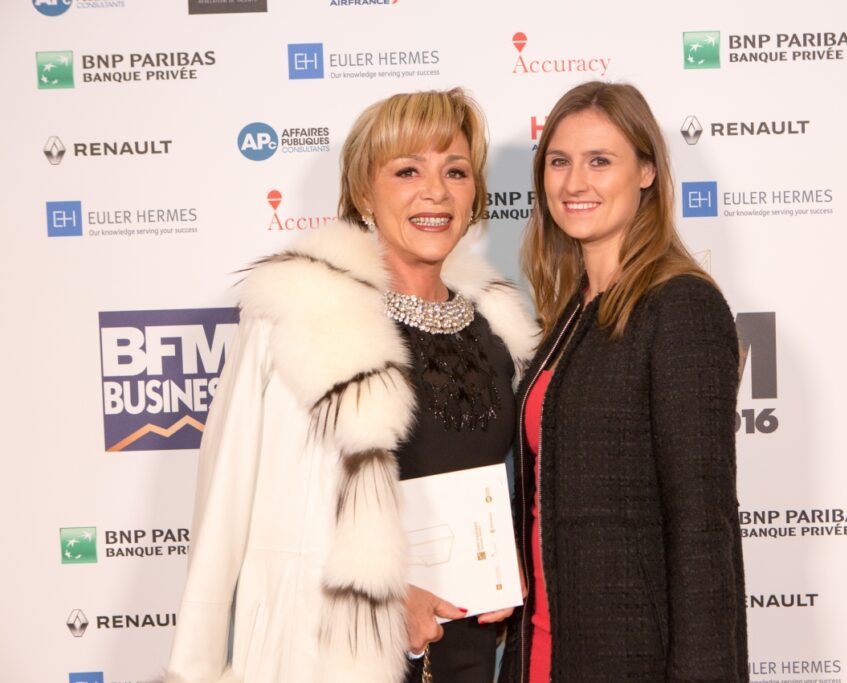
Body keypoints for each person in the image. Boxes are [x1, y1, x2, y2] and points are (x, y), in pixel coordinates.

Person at [166, 88, 537, 683]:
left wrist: (519, 568)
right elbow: (226, 505)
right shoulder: (298, 315)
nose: (435, 191)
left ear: (475, 194)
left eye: (456, 171)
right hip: (333, 656)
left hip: (472, 655)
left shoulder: (503, 329)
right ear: (364, 192)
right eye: (407, 170)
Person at [499, 81, 748, 682]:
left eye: (599, 161)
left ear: (646, 172)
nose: (574, 182)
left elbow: (702, 523)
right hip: (543, 652)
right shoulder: (572, 312)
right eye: (559, 162)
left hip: (633, 659)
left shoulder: (680, 305)